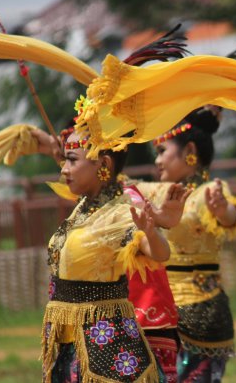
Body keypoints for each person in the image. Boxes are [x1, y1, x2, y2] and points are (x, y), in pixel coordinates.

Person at [33, 125, 172, 383]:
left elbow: (159, 252)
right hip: (68, 344)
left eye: (72, 160)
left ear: (104, 163)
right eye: (64, 160)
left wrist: (152, 233)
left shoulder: (121, 210)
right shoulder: (84, 208)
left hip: (106, 347)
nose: (63, 169)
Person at [129, 106, 236, 383]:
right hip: (160, 309)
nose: (157, 161)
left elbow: (229, 217)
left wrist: (223, 209)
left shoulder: (210, 191)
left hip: (200, 310)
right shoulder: (158, 190)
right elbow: (118, 186)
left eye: (162, 151)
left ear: (189, 150)